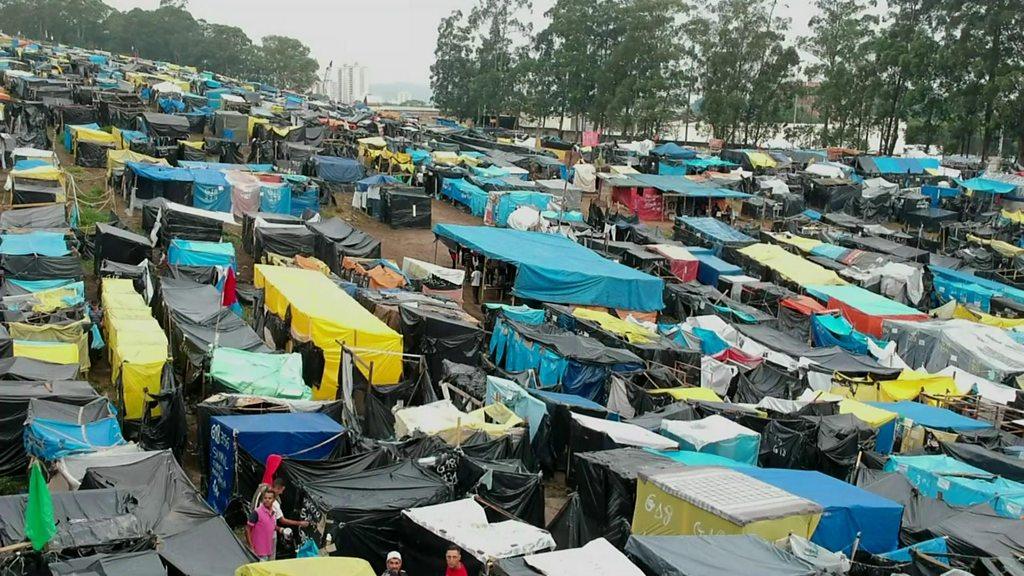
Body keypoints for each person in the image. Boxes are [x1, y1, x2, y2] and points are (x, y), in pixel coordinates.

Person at [247, 488, 280, 561]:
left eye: (269, 498)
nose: (267, 500)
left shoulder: (273, 512)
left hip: (268, 551)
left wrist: (280, 529)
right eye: (265, 498)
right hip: (258, 553)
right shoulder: (256, 513)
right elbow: (247, 529)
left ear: (274, 500)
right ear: (262, 499)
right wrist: (251, 547)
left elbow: (271, 526)